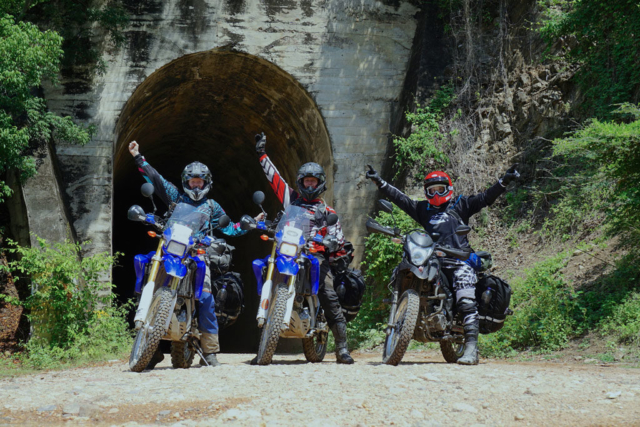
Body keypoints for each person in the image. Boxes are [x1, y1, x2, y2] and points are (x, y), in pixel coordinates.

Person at [365, 165, 519, 365]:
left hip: (459, 259)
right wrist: (379, 182)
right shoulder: (423, 209)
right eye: (431, 190)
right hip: (433, 259)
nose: (436, 193)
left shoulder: (461, 205)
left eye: (440, 189)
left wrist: (504, 181)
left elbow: (485, 198)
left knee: (465, 297)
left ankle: (471, 348)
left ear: (448, 188)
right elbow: (401, 199)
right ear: (426, 192)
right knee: (406, 268)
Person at [128, 140, 256, 368]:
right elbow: (156, 180)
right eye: (192, 182)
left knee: (205, 297)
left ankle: (210, 351)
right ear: (186, 182)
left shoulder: (212, 206)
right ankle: (153, 349)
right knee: (148, 270)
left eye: (200, 182)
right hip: (171, 249)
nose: (196, 186)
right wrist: (138, 157)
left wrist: (246, 225)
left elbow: (228, 228)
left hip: (198, 254)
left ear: (206, 183)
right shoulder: (175, 197)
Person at [254, 133, 355, 364]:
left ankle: (341, 348)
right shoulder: (292, 200)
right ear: (301, 182)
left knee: (328, 294)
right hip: (288, 252)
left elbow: (337, 236)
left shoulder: (327, 212)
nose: (310, 184)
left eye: (314, 181)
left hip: (314, 256)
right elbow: (275, 179)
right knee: (265, 269)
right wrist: (262, 155)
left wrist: (331, 241)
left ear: (320, 184)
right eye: (306, 181)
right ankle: (262, 345)